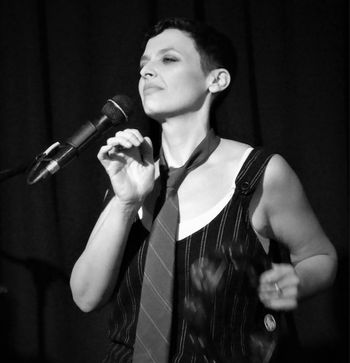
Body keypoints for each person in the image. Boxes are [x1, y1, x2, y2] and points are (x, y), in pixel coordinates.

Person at [69, 17, 337, 363]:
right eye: (143, 64)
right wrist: (124, 202)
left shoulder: (259, 174)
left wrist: (295, 282)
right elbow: (86, 297)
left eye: (168, 59)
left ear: (216, 79)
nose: (147, 72)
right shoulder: (133, 177)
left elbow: (321, 257)